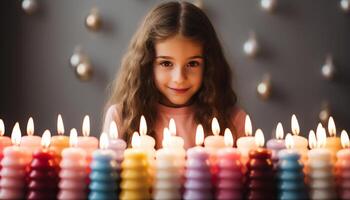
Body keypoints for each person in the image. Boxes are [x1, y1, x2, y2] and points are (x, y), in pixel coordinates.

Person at [103, 1, 246, 149]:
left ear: (209, 65)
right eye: (166, 63)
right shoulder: (121, 118)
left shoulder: (232, 121)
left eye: (192, 64)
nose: (179, 79)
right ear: (146, 64)